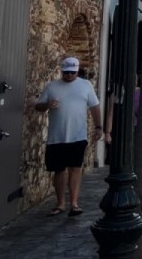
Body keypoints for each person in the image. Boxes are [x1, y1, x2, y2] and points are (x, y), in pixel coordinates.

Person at [34, 56, 102, 217]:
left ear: (77, 71)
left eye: (72, 72)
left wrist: (99, 127)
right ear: (62, 71)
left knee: (75, 168)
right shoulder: (52, 87)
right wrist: (47, 105)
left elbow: (95, 107)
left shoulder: (85, 85)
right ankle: (60, 204)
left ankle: (74, 204)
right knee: (59, 170)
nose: (69, 75)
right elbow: (38, 106)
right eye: (66, 72)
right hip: (56, 136)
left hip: (78, 135)